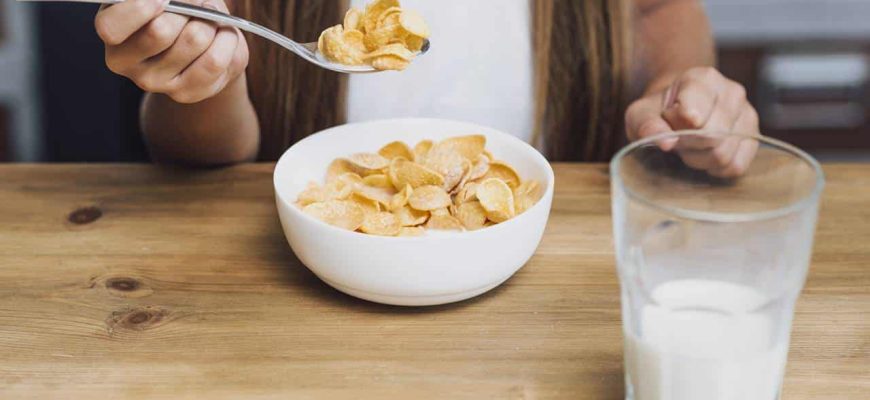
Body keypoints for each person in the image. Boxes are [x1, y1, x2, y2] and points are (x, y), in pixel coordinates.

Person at [94, 0, 758, 177]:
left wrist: (679, 92)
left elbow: (663, 8)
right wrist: (202, 73)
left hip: (551, 276)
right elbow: (190, 154)